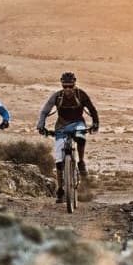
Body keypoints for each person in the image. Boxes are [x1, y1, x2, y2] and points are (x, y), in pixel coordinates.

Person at [36, 71, 98, 201]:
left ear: (74, 84)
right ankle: (60, 189)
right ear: (62, 85)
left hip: (78, 123)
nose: (68, 89)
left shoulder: (81, 95)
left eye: (70, 86)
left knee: (81, 137)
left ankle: (81, 162)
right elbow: (45, 111)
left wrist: (95, 123)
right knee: (59, 162)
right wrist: (41, 125)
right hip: (61, 126)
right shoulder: (57, 96)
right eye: (65, 86)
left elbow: (92, 109)